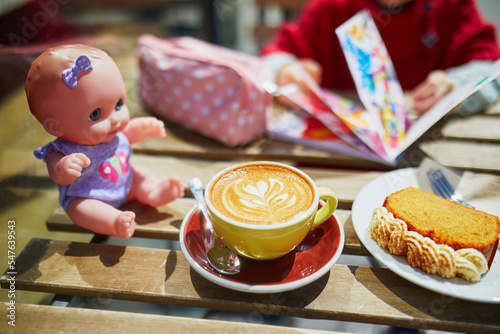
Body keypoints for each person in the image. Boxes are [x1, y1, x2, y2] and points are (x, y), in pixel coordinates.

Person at [25, 44, 184, 238]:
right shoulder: (61, 150)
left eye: (119, 104)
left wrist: (144, 128)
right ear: (55, 127)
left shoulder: (115, 131)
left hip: (126, 183)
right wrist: (64, 168)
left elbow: (130, 134)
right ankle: (114, 221)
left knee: (141, 173)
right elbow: (57, 172)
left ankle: (152, 191)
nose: (115, 119)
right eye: (96, 114)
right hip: (90, 197)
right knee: (80, 209)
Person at [260, 0, 500, 113]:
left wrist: (456, 86)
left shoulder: (452, 7)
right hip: (338, 159)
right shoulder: (330, 8)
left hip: (433, 149)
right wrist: (285, 70)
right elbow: (274, 58)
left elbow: (491, 71)